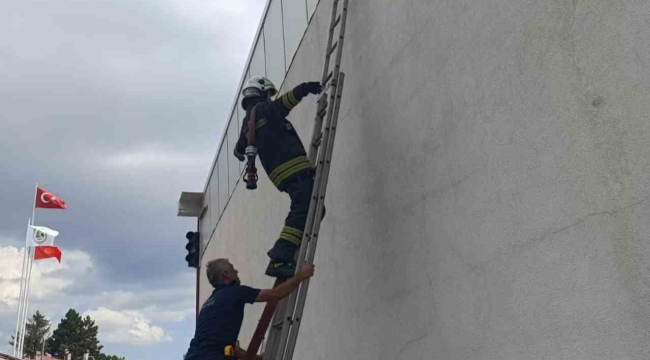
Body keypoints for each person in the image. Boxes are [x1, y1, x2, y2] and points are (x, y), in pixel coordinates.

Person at [233, 76, 324, 278]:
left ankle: (288, 249)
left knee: (316, 209)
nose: (269, 98)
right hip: (294, 169)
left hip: (282, 174)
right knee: (302, 210)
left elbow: (239, 151)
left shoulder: (248, 122)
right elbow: (283, 104)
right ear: (261, 92)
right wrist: (304, 87)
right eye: (268, 94)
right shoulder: (264, 110)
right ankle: (280, 257)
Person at [184, 258, 315, 360]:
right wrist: (301, 276)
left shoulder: (208, 305)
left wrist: (257, 358)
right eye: (233, 268)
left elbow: (226, 346)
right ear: (226, 274)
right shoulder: (235, 292)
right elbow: (276, 294)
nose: (237, 271)